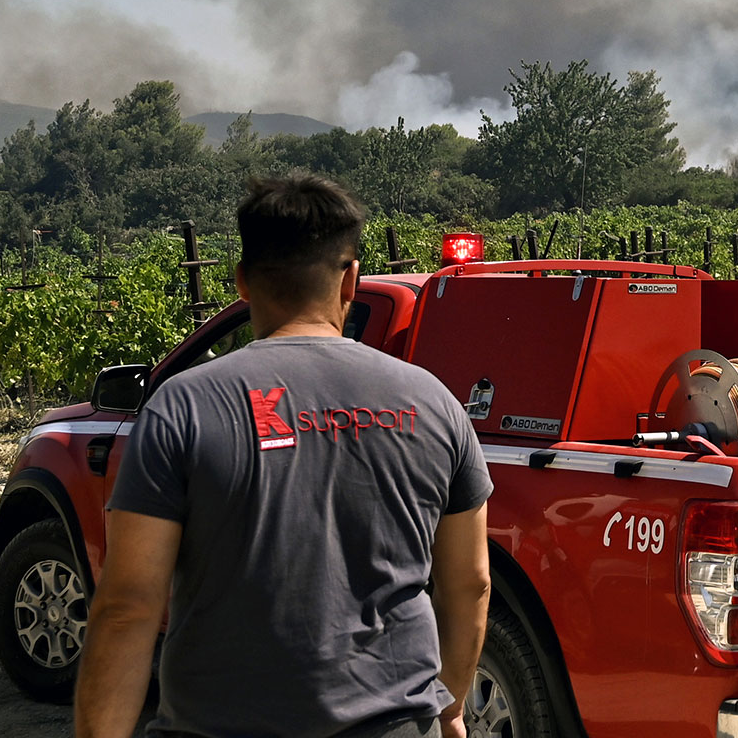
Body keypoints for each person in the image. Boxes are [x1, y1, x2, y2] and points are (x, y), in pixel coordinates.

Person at [75, 175, 493, 738]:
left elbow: (128, 605)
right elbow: (469, 583)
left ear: (242, 281)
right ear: (350, 280)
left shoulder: (183, 406)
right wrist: (450, 705)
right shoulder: (434, 403)